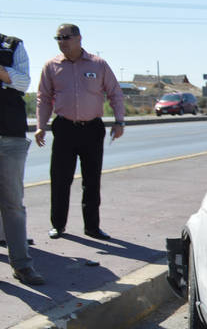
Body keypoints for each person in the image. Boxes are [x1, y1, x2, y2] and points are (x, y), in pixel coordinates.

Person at [35, 23, 124, 241]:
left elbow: (115, 93)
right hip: (64, 128)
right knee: (60, 179)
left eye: (65, 37)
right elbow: (44, 98)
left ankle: (92, 227)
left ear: (79, 38)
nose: (62, 42)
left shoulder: (98, 64)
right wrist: (40, 126)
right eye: (58, 38)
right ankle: (58, 225)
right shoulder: (51, 66)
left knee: (92, 180)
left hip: (92, 129)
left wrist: (119, 121)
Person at [0, 30, 44, 285]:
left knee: (13, 204)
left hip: (11, 135)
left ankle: (22, 266)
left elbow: (23, 82)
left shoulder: (13, 45)